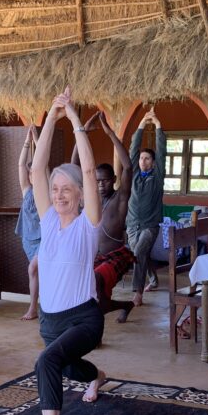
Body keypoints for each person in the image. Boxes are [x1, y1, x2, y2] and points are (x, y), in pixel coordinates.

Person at [19, 87, 106, 415]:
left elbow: (88, 170)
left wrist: (72, 117)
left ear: (80, 195)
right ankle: (98, 376)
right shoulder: (49, 220)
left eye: (66, 190)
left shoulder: (88, 225)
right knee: (68, 369)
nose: (58, 196)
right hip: (50, 321)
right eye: (55, 191)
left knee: (47, 362)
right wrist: (49, 117)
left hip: (83, 319)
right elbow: (36, 171)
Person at [73, 111, 136, 321]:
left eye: (106, 181)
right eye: (97, 181)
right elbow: (74, 168)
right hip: (94, 257)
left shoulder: (120, 199)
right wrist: (82, 132)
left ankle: (95, 332)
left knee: (97, 280)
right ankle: (125, 305)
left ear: (114, 179)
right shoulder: (89, 201)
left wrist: (109, 133)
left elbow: (128, 166)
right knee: (88, 289)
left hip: (116, 255)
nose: (101, 185)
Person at [127, 107, 166, 307]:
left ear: (152, 162)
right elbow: (133, 150)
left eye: (147, 158)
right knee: (141, 254)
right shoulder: (133, 174)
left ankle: (138, 293)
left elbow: (161, 152)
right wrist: (142, 124)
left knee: (139, 253)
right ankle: (153, 279)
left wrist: (157, 125)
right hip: (132, 224)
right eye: (141, 158)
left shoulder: (156, 178)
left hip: (150, 225)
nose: (143, 161)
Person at [15, 126, 41, 320]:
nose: (32, 175)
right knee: (36, 273)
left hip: (43, 239)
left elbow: (44, 164)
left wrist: (37, 139)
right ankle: (35, 306)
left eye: (36, 172)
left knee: (33, 269)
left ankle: (33, 307)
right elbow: (20, 165)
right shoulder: (27, 190)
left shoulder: (46, 191)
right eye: (31, 173)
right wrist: (27, 140)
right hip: (28, 239)